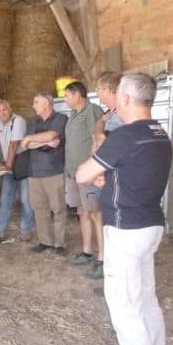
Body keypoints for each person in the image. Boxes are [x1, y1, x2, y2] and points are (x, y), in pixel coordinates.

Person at [76, 73, 172, 345]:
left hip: (125, 230)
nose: (114, 100)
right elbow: (134, 174)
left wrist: (98, 162)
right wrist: (111, 178)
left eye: (117, 94)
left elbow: (82, 174)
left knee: (125, 309)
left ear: (127, 98)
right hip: (150, 225)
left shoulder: (126, 136)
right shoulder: (159, 134)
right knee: (146, 300)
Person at [86, 71, 123, 280]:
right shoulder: (109, 113)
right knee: (99, 217)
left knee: (113, 224)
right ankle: (104, 261)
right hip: (102, 175)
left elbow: (106, 145)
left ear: (109, 89)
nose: (97, 94)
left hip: (112, 178)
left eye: (99, 89)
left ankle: (113, 271)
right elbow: (98, 132)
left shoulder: (121, 117)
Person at [0, 99, 34, 244]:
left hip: (23, 166)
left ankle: (26, 230)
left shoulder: (18, 121)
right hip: (9, 166)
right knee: (5, 201)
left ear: (9, 108)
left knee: (26, 200)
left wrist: (8, 165)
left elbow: (14, 144)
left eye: (4, 109)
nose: (2, 113)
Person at [20, 92, 67, 255]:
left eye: (36, 102)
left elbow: (52, 135)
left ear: (46, 104)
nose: (33, 106)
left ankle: (60, 243)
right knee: (39, 208)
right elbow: (27, 145)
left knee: (58, 208)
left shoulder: (61, 118)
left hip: (54, 171)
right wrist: (46, 142)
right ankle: (45, 241)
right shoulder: (33, 122)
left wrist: (34, 139)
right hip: (34, 172)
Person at [63, 81, 104, 266]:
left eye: (67, 95)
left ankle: (103, 257)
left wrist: (93, 170)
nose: (65, 98)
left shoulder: (92, 111)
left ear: (78, 94)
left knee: (96, 213)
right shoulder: (73, 114)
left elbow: (97, 140)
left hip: (87, 173)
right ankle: (87, 252)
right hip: (73, 172)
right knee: (82, 212)